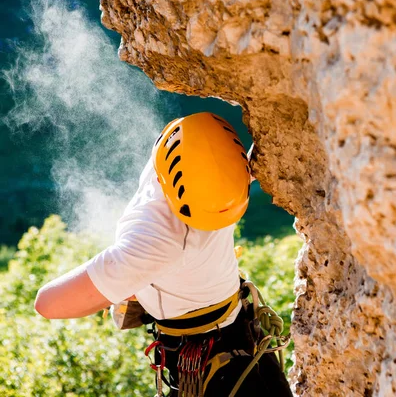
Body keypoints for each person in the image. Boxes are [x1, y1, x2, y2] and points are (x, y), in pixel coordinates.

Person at [34, 112, 293, 397]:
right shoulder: (155, 241)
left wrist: (124, 278)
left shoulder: (190, 157)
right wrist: (127, 269)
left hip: (217, 361)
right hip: (230, 354)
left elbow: (48, 303)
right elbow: (46, 303)